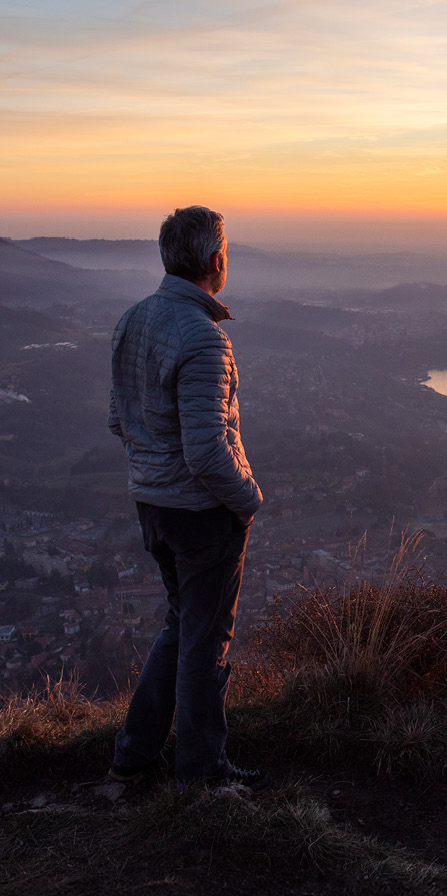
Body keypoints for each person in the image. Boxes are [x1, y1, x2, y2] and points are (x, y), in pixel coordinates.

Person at [106, 205, 267, 789]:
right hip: (202, 513)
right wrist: (247, 500)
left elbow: (118, 418)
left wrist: (153, 469)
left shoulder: (132, 320)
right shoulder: (204, 339)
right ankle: (203, 775)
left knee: (181, 627)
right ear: (215, 259)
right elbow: (205, 451)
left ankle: (133, 752)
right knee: (205, 645)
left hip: (152, 504)